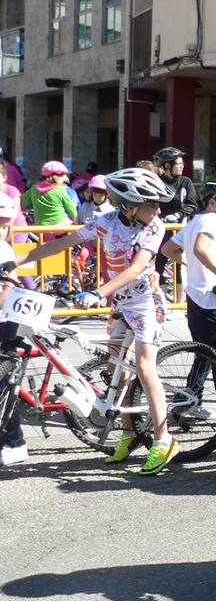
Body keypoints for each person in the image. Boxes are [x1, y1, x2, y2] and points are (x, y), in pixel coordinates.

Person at [12, 168, 181, 475]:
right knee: (117, 369)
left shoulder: (154, 227)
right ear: (129, 203)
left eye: (158, 204)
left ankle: (163, 439)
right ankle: (128, 434)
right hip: (120, 303)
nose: (158, 210)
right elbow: (64, 243)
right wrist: (19, 260)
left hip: (147, 304)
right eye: (152, 203)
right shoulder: (106, 222)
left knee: (143, 368)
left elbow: (135, 269)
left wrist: (97, 292)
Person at [160, 180, 216, 417]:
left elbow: (168, 250)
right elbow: (200, 248)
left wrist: (189, 263)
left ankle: (188, 401)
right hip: (209, 297)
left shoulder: (195, 220)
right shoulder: (212, 220)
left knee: (204, 354)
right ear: (212, 201)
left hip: (195, 296)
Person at [0, 194, 28, 465]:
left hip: (4, 322)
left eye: (5, 225)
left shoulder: (4, 250)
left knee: (4, 382)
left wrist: (8, 284)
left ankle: (16, 441)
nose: (2, 230)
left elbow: (9, 288)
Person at [25, 161, 77, 243]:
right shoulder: (60, 189)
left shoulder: (34, 188)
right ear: (55, 177)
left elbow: (23, 202)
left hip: (42, 230)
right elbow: (71, 210)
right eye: (62, 175)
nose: (64, 178)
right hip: (61, 228)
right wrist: (78, 221)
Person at [153, 147, 199, 220]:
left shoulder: (185, 182)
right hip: (159, 226)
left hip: (181, 226)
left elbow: (192, 205)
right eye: (178, 164)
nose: (182, 166)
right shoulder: (156, 181)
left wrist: (177, 215)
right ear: (167, 165)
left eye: (182, 163)